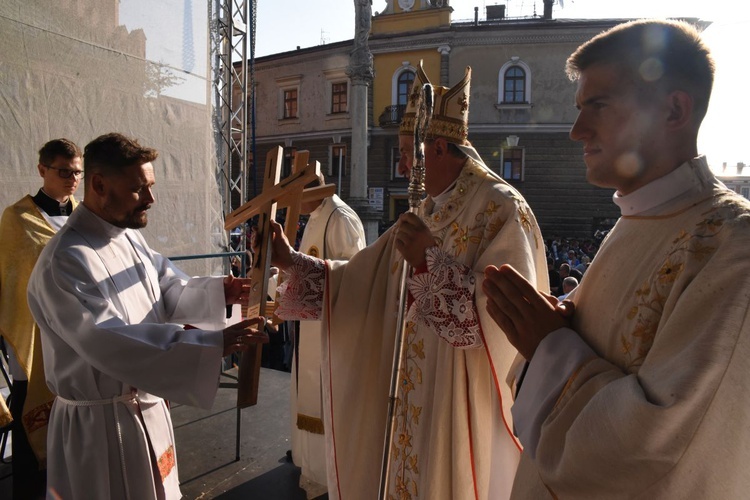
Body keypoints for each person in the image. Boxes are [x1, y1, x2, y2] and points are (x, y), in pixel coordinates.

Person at [483, 19, 750, 498]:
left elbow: (655, 444)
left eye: (598, 106)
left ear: (674, 110)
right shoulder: (636, 219)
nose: (575, 131)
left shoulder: (730, 246)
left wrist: (550, 347)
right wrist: (559, 330)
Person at [267, 65, 548, 499]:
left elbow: (507, 325)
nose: (401, 164)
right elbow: (360, 279)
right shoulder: (428, 211)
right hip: (412, 393)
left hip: (458, 400)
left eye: (404, 152)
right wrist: (290, 262)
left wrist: (428, 263)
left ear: (435, 148)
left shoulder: (500, 208)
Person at [26, 133, 266, 500]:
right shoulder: (65, 260)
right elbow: (106, 339)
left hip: (144, 407)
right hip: (100, 425)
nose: (151, 200)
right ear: (99, 185)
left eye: (150, 187)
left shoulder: (127, 236)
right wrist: (209, 343)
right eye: (140, 189)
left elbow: (165, 288)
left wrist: (220, 292)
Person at [0, 138, 82, 498]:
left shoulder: (85, 216)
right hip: (34, 334)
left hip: (78, 336)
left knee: (76, 421)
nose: (72, 179)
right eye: (64, 171)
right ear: (42, 170)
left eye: (77, 172)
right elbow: (8, 276)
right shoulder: (17, 218)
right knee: (29, 417)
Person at [290, 172, 366, 486]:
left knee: (327, 401)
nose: (293, 203)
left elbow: (357, 275)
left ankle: (330, 478)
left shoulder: (340, 218)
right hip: (310, 326)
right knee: (308, 397)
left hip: (332, 331)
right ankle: (311, 468)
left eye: (296, 194)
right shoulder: (315, 215)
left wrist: (301, 273)